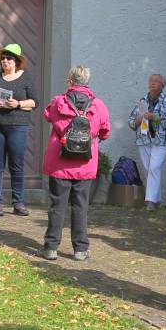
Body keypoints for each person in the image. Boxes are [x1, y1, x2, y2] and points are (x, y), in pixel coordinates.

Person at [41, 65, 110, 261]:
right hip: (85, 164)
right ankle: (80, 250)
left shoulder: (58, 102)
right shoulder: (98, 105)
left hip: (60, 163)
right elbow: (105, 131)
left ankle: (51, 248)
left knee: (57, 205)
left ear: (70, 81)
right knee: (81, 206)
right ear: (87, 82)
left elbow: (47, 115)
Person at [0, 43, 37, 216]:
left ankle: (18, 203)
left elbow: (34, 102)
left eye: (9, 58)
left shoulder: (26, 78)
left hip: (18, 126)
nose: (5, 61)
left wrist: (18, 103)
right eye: (3, 58)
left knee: (16, 166)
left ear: (17, 61)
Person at [127, 73, 166, 209]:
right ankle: (157, 199)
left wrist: (156, 118)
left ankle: (150, 201)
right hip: (143, 139)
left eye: (156, 81)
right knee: (149, 169)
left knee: (154, 168)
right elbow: (131, 122)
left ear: (162, 85)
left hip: (160, 140)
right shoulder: (142, 101)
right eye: (151, 81)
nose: (152, 83)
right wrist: (137, 120)